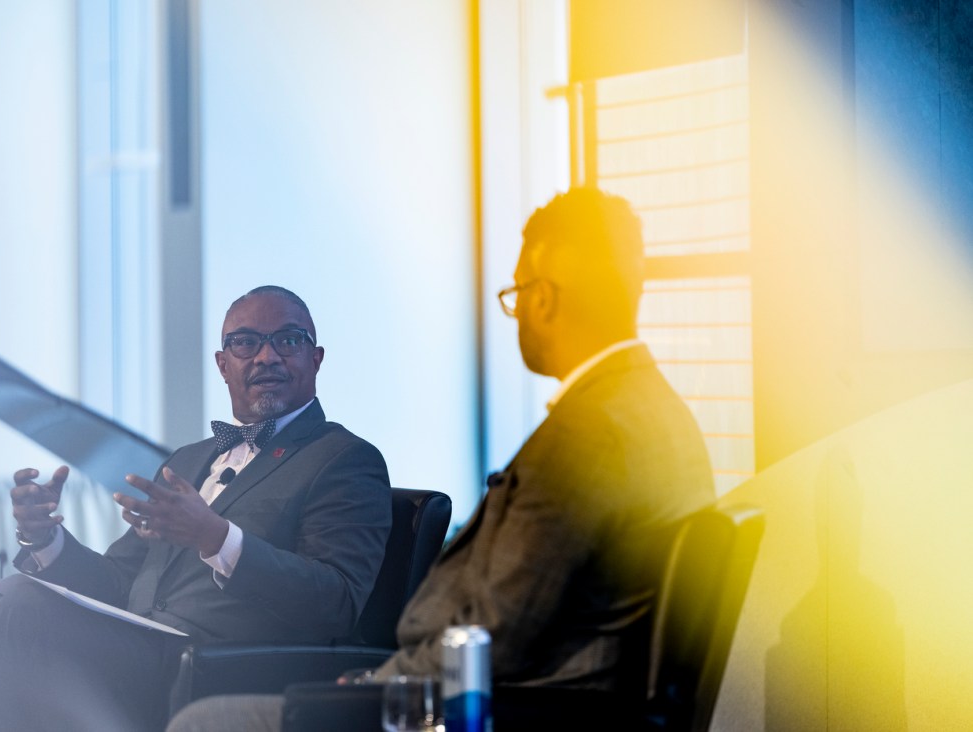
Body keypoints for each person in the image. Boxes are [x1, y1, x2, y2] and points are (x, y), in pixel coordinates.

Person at [165, 187, 716, 731]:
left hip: (506, 710)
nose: (516, 312)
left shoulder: (587, 436)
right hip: (525, 697)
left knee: (207, 723)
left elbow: (495, 629)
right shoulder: (653, 411)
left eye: (517, 295)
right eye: (245, 344)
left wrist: (378, 687)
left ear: (543, 300)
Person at [0, 285, 393, 732]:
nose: (266, 356)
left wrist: (216, 538)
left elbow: (338, 602)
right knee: (24, 609)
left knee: (26, 616)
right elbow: (116, 583)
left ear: (316, 358)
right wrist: (45, 540)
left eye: (288, 340)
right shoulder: (188, 461)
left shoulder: (344, 458)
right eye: (245, 342)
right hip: (138, 653)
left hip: (223, 666)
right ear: (223, 364)